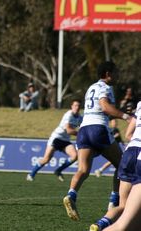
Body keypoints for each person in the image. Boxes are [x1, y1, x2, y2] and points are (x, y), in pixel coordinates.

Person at [63, 61, 131, 222]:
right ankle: (113, 202)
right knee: (122, 165)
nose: (118, 75)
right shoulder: (105, 88)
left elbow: (101, 109)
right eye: (116, 72)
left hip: (84, 130)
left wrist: (120, 112)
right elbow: (105, 107)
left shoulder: (91, 87)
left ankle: (71, 194)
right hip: (98, 129)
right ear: (108, 74)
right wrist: (126, 117)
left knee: (83, 169)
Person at [102, 101, 141, 230]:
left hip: (131, 152)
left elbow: (128, 134)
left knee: (124, 208)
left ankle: (100, 224)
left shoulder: (140, 104)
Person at [26, 99, 82, 182]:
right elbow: (68, 130)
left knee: (75, 156)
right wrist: (81, 134)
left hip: (65, 140)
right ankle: (31, 174)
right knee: (46, 159)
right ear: (72, 106)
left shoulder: (80, 118)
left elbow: (83, 127)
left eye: (79, 106)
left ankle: (58, 170)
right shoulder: (68, 114)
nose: (77, 107)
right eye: (75, 105)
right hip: (57, 137)